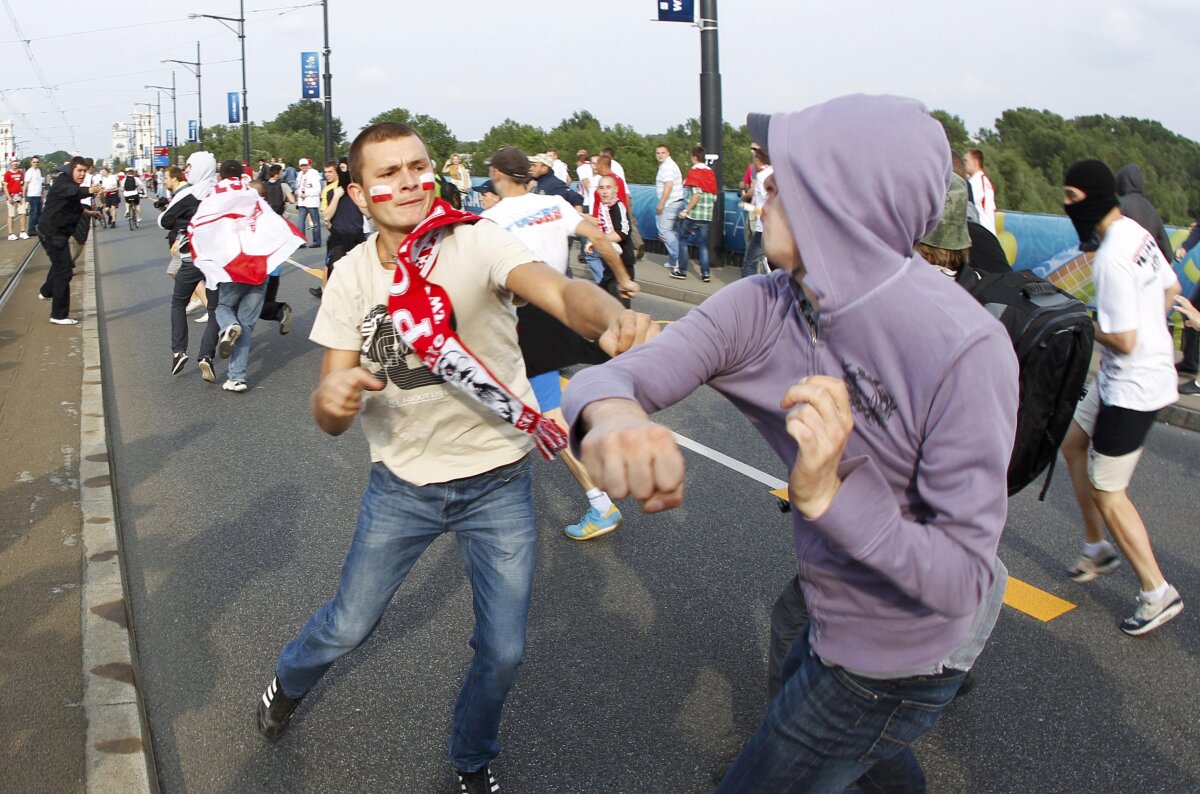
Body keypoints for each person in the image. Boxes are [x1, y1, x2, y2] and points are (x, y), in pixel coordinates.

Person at [562, 95, 1018, 792]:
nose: (766, 183)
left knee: (803, 749)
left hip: (907, 651)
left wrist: (828, 496)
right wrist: (617, 418)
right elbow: (612, 377)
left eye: (791, 172)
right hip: (825, 601)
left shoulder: (965, 347)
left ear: (850, 200)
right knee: (851, 740)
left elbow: (962, 579)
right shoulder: (765, 302)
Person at [254, 121, 657, 794]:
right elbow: (326, 411)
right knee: (347, 626)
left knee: (503, 650)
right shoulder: (352, 277)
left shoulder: (474, 241)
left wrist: (607, 316)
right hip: (402, 486)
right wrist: (338, 396)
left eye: (418, 166)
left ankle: (471, 758)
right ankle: (288, 682)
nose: (408, 181)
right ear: (358, 191)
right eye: (388, 173)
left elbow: (557, 291)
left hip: (498, 479)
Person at [482, 146, 637, 540]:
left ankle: (600, 501)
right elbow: (601, 239)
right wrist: (622, 279)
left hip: (527, 316)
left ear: (499, 175)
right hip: (568, 301)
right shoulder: (554, 203)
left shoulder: (490, 220)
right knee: (616, 360)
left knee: (547, 412)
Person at [1059, 159, 1184, 636]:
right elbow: (1170, 287)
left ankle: (1157, 591)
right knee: (1073, 442)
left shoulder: (1111, 255)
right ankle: (1097, 547)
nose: (1067, 208)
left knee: (1110, 492)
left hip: (1134, 385)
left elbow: (1124, 339)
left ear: (1089, 198)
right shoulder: (1135, 231)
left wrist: (1083, 323)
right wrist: (1151, 325)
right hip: (1127, 376)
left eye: (1070, 199)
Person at [190, 159, 304, 392]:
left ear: (220, 176)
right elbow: (275, 224)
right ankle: (237, 377)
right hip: (258, 269)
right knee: (248, 326)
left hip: (232, 268)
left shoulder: (216, 196)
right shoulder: (252, 196)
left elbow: (200, 225)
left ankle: (229, 326)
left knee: (223, 307)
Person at [160, 156, 220, 380]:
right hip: (216, 260)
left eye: (190, 166)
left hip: (191, 257)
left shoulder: (189, 193)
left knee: (178, 302)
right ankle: (207, 356)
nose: (187, 170)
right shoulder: (219, 191)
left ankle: (179, 351)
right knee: (214, 308)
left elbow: (164, 221)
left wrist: (184, 224)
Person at [37, 157, 102, 324]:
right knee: (64, 270)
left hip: (55, 232)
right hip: (53, 233)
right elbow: (73, 193)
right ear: (71, 169)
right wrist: (91, 190)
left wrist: (88, 213)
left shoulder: (69, 183)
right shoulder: (63, 182)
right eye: (79, 171)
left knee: (60, 265)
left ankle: (46, 292)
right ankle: (58, 315)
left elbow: (73, 203)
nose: (82, 174)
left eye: (84, 171)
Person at [311, 159, 366, 300]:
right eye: (325, 172)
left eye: (330, 172)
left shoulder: (357, 189)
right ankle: (328, 293)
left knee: (359, 273)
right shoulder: (330, 191)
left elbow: (368, 214)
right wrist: (336, 197)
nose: (327, 174)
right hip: (338, 238)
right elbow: (326, 216)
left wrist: (359, 198)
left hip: (357, 237)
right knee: (335, 268)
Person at [675, 145, 718, 282]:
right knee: (703, 244)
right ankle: (705, 274)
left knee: (682, 239)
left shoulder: (694, 172)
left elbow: (696, 194)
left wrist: (686, 210)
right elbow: (714, 196)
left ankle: (682, 270)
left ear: (694, 157)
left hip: (693, 215)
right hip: (707, 215)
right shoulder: (710, 173)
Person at [654, 143, 686, 274]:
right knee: (674, 232)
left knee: (665, 231)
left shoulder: (666, 167)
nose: (660, 155)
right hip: (678, 202)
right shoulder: (670, 164)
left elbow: (668, 185)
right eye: (658, 153)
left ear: (668, 153)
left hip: (670, 203)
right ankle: (674, 260)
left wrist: (661, 203)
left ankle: (678, 258)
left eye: (663, 153)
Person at [740, 147, 771, 278]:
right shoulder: (776, 173)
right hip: (775, 226)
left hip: (763, 226)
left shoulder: (761, 176)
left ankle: (747, 293)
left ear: (758, 161)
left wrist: (751, 208)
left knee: (749, 263)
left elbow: (766, 200)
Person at [964, 148, 997, 235]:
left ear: (975, 162)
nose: (964, 164)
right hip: (987, 231)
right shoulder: (983, 180)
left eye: (966, 161)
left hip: (981, 231)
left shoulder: (975, 182)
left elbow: (967, 204)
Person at [296, 158, 323, 247]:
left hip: (311, 202)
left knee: (315, 223)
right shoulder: (299, 175)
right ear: (299, 166)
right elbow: (297, 188)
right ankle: (301, 241)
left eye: (305, 165)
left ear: (308, 165)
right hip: (302, 202)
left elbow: (317, 189)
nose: (303, 167)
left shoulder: (314, 174)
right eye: (302, 165)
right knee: (300, 222)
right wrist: (300, 193)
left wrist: (306, 193)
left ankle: (317, 241)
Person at [4, 157, 27, 240]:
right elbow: (5, 187)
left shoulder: (20, 173)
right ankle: (11, 233)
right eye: (14, 162)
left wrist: (23, 194)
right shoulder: (7, 174)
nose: (15, 164)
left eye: (16, 162)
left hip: (20, 196)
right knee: (11, 215)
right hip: (11, 196)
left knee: (23, 213)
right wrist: (9, 197)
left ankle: (23, 231)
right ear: (11, 163)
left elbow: (22, 185)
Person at [24, 156, 44, 233]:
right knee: (34, 213)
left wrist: (41, 195)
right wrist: (24, 195)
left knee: (39, 213)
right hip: (32, 195)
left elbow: (39, 184)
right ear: (31, 163)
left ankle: (37, 228)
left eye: (37, 162)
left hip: (38, 195)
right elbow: (26, 184)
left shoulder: (38, 171)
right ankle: (31, 230)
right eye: (34, 162)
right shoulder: (29, 172)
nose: (36, 163)